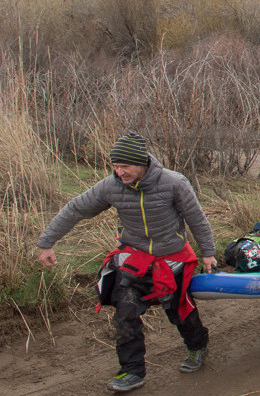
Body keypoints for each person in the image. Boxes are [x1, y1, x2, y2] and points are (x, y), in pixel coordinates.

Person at [36, 132, 217, 393]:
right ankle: (132, 371)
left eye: (125, 167)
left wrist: (208, 253)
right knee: (125, 312)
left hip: (172, 258)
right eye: (115, 166)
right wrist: (46, 243)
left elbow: (197, 219)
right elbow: (76, 208)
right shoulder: (110, 186)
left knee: (179, 311)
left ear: (142, 162)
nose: (119, 172)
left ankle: (198, 346)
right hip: (136, 258)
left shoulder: (174, 182)